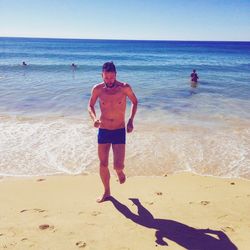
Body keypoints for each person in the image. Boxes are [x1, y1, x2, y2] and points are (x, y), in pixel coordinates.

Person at [88, 61, 138, 203]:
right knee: (103, 163)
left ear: (116, 75)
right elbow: (90, 105)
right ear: (102, 75)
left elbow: (135, 101)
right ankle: (107, 192)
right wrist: (94, 118)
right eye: (106, 77)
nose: (109, 80)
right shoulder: (97, 89)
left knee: (118, 165)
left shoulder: (124, 88)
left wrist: (131, 120)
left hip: (118, 129)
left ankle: (120, 172)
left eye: (112, 77)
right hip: (103, 129)